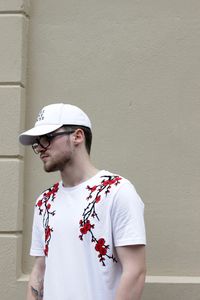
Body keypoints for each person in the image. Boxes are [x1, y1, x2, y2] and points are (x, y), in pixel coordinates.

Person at [19, 103, 146, 300]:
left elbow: (135, 272)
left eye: (47, 138)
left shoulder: (117, 191)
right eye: (37, 142)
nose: (40, 148)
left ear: (77, 136)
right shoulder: (45, 202)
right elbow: (40, 269)